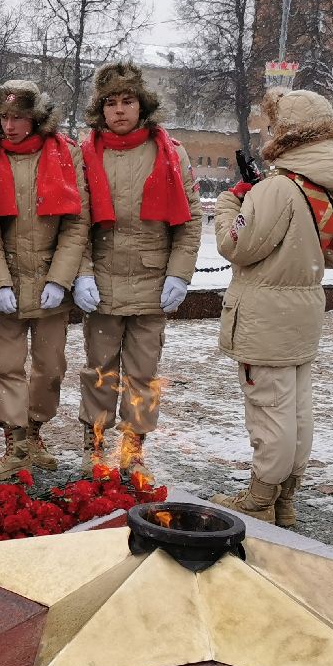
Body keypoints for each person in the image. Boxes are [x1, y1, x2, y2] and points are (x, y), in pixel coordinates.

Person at [210, 89, 333, 525]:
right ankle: (285, 498)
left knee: (269, 412)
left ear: (287, 133)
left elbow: (234, 245)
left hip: (265, 316)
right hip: (302, 311)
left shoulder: (279, 187)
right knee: (295, 409)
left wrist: (230, 204)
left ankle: (260, 500)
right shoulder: (327, 190)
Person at [73, 63, 202, 478]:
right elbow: (75, 220)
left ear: (142, 104)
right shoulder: (86, 151)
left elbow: (190, 219)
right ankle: (94, 447)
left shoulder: (170, 151)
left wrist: (179, 274)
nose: (119, 111)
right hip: (104, 281)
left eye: (127, 101)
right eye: (110, 103)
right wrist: (83, 271)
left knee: (143, 375)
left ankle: (133, 448)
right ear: (100, 110)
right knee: (99, 372)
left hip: (151, 281)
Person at [0, 80, 85, 480]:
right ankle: (15, 444)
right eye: (4, 117)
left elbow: (77, 224)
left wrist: (60, 278)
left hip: (49, 281)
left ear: (35, 117)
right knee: (6, 368)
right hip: (3, 278)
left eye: (19, 117)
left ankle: (36, 429)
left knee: (50, 368)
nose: (11, 126)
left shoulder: (65, 154)